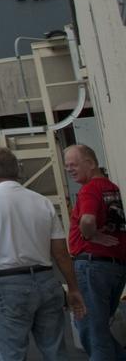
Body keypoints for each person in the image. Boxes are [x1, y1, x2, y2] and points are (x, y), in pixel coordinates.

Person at [0, 147, 86, 360]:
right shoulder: (42, 202)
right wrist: (73, 288)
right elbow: (61, 253)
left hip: (10, 284)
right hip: (47, 281)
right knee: (55, 350)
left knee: (11, 352)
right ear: (17, 172)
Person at [64, 144, 126, 360]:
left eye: (73, 164)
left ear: (90, 163)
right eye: (67, 166)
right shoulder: (111, 188)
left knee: (90, 329)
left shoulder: (89, 189)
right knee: (99, 329)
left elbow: (88, 219)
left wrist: (92, 235)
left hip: (92, 266)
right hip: (115, 266)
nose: (69, 170)